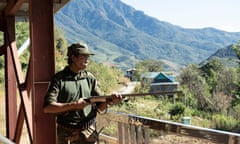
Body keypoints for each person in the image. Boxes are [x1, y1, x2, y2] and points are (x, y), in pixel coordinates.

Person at [43, 42, 122, 144]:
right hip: (66, 134)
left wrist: (110, 101)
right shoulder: (59, 79)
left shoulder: (90, 78)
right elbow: (47, 108)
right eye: (83, 57)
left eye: (88, 57)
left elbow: (99, 108)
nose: (87, 60)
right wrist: (73, 105)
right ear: (73, 58)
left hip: (88, 133)